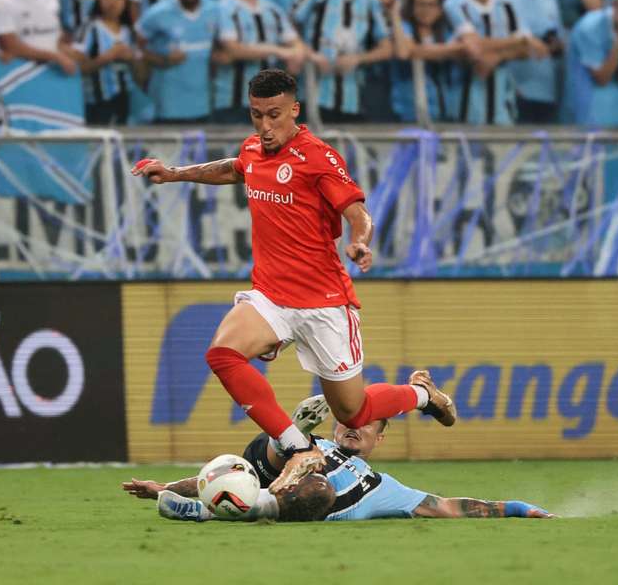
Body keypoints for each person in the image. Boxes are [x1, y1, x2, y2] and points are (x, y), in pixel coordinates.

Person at [131, 68, 456, 495]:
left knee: (354, 413)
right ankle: (298, 447)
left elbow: (357, 211)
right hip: (271, 295)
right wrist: (174, 173)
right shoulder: (253, 148)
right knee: (222, 354)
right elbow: (235, 168)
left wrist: (360, 243)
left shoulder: (318, 156)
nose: (265, 127)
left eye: (274, 115)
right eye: (256, 115)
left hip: (324, 303)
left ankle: (420, 394)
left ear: (295, 111)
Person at [123, 395, 554, 522]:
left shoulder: (384, 488)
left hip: (309, 502)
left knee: (319, 487)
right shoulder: (317, 446)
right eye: (349, 417)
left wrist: (516, 508)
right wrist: (162, 487)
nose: (354, 425)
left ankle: (211, 514)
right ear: (336, 423)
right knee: (266, 456)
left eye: (366, 423)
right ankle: (214, 503)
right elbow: (243, 473)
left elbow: (445, 506)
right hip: (274, 473)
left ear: (378, 440)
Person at [443, 0, 549, 125]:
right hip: (465, 100)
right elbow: (474, 45)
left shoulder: (507, 4)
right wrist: (521, 40)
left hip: (502, 102)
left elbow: (533, 50)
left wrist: (499, 56)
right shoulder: (454, 3)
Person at [294, 0, 393, 122]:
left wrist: (358, 59)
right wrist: (312, 55)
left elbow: (387, 49)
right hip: (312, 93)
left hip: (354, 99)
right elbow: (288, 29)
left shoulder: (371, 0)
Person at [211, 0, 306, 123]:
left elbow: (296, 44)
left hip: (271, 103)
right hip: (234, 101)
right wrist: (278, 51)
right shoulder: (222, 8)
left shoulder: (273, 10)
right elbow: (232, 49)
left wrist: (296, 56)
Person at [135, 0, 221, 123]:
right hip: (167, 107)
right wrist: (163, 60)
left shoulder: (216, 10)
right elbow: (137, 50)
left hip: (204, 105)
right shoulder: (157, 14)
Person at [69, 0, 144, 125]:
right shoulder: (89, 28)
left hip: (127, 103)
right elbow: (77, 68)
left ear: (124, 0)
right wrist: (106, 57)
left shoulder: (130, 32)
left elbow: (141, 76)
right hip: (97, 105)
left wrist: (132, 59)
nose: (112, 2)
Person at [389, 0, 463, 122]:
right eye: (420, 5)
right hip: (408, 112)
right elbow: (404, 52)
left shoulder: (447, 32)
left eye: (431, 5)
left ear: (440, 9)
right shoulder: (405, 28)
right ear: (413, 8)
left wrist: (417, 51)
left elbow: (463, 50)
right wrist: (395, 15)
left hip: (444, 111)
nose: (426, 10)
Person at [499, 0, 566, 124]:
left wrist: (555, 44)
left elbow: (558, 35)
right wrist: (527, 42)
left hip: (547, 90)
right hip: (514, 91)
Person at [0, 0, 77, 74]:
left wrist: (66, 51)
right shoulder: (0, 0)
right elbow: (10, 46)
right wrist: (55, 56)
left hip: (53, 70)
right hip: (17, 72)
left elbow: (56, 35)